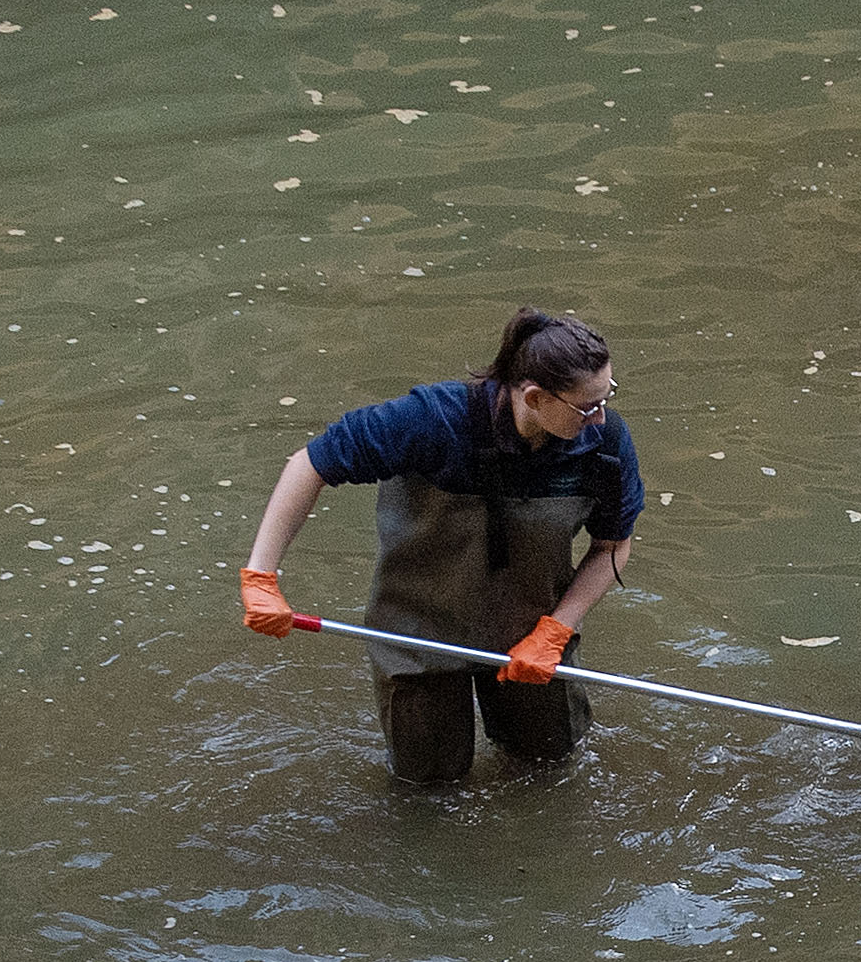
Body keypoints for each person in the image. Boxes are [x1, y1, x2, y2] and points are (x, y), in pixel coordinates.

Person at [239, 306, 647, 786]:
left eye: (607, 397)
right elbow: (311, 464)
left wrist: (556, 631)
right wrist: (261, 575)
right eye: (586, 407)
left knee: (549, 770)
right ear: (534, 397)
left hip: (531, 633)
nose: (600, 418)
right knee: (429, 786)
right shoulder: (430, 422)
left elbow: (613, 545)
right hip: (417, 633)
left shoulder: (604, 445)